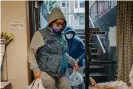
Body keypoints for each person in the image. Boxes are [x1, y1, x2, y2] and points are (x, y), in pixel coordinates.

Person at [28, 8, 78, 89]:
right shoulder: (40, 34)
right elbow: (31, 52)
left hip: (62, 72)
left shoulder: (62, 36)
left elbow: (63, 53)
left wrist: (73, 62)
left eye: (62, 24)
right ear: (51, 21)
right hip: (47, 73)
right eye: (58, 24)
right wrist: (35, 70)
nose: (60, 26)